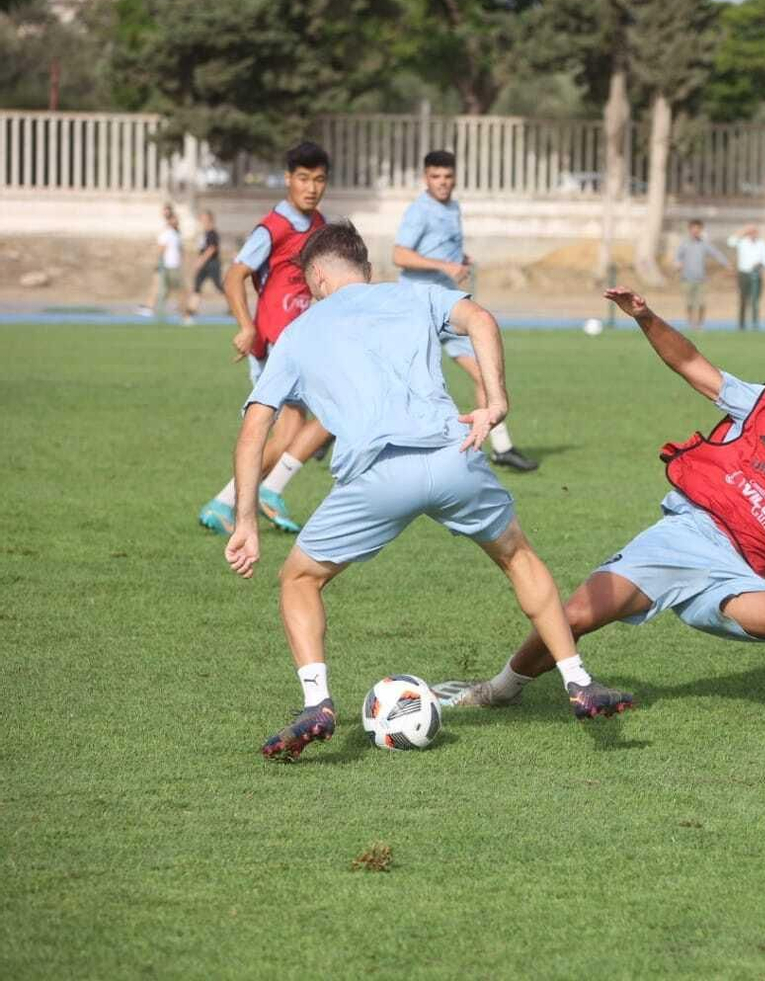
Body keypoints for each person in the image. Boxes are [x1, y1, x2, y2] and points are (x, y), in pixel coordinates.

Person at [432, 286, 765, 713]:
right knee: (574, 616)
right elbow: (693, 366)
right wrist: (645, 317)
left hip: (734, 575)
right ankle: (497, 691)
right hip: (682, 537)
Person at [225, 221, 633, 761]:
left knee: (299, 578)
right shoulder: (413, 294)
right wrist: (496, 401)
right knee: (517, 556)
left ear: (317, 277)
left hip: (376, 478)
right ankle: (578, 682)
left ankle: (317, 704)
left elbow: (256, 430)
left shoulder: (299, 332)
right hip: (452, 458)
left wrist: (247, 521)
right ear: (366, 271)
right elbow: (481, 318)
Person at [197, 141, 334, 537]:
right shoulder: (273, 226)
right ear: (289, 179)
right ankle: (266, 491)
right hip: (277, 339)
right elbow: (234, 275)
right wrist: (246, 325)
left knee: (291, 431)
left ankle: (227, 502)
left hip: (300, 339)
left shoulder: (320, 225)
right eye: (304, 179)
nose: (311, 188)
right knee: (334, 408)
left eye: (319, 179)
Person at [394, 149, 538, 472]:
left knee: (486, 374)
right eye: (435, 177)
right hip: (419, 310)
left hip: (451, 310)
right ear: (425, 178)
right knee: (399, 381)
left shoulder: (453, 206)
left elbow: (443, 248)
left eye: (447, 177)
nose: (442, 183)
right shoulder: (420, 211)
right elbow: (400, 255)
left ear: (455, 177)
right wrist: (445, 266)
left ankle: (501, 446)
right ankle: (332, 432)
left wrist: (461, 260)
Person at [674, 218, 731, 330]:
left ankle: (699, 325)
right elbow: (677, 257)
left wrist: (726, 264)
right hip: (687, 279)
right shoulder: (684, 244)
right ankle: (691, 324)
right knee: (689, 303)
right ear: (689, 230)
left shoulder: (704, 244)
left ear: (700, 230)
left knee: (701, 304)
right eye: (693, 229)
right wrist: (677, 264)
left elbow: (716, 254)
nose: (695, 231)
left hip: (701, 280)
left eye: (698, 229)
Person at [138, 204, 182, 317]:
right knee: (159, 286)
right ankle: (150, 306)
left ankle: (152, 307)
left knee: (166, 287)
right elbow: (163, 247)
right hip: (167, 263)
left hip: (170, 263)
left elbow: (167, 247)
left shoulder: (173, 232)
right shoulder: (168, 231)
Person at [181, 210, 223, 326]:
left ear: (209, 219)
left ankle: (235, 307)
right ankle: (189, 314)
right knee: (197, 288)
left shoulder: (212, 233)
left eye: (204, 219)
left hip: (212, 264)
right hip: (204, 265)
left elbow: (212, 249)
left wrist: (201, 260)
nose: (202, 221)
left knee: (219, 286)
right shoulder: (204, 233)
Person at [728, 225, 765, 330]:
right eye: (750, 232)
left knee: (755, 300)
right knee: (743, 299)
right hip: (744, 274)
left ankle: (755, 323)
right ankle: (741, 324)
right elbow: (730, 242)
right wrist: (743, 231)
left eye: (754, 232)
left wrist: (760, 264)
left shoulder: (762, 244)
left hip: (756, 274)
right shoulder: (743, 242)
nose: (753, 234)